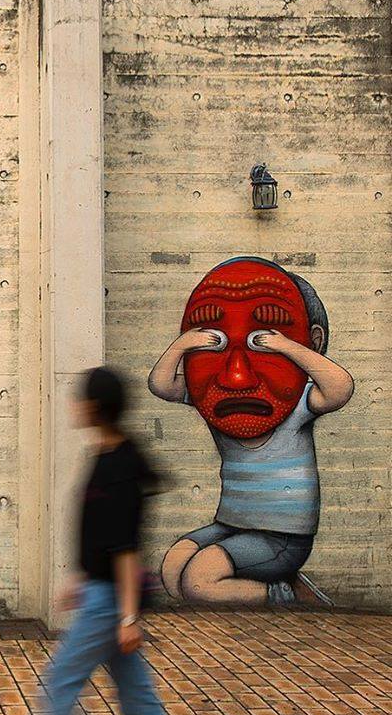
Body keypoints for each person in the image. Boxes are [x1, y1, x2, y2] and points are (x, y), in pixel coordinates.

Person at [0, 367, 181, 715]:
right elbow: (101, 535)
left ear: (94, 407)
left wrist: (128, 618)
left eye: (79, 399)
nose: (73, 405)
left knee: (60, 682)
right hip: (102, 591)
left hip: (109, 600)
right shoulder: (111, 452)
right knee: (134, 689)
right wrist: (81, 576)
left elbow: (126, 549)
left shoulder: (117, 467)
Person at [149, 256, 353, 606]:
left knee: (198, 582)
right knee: (172, 570)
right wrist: (183, 344)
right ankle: (267, 580)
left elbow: (341, 387)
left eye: (258, 345)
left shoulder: (299, 403)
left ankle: (286, 595)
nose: (237, 377)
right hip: (233, 525)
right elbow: (161, 385)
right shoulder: (212, 396)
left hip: (282, 536)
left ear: (313, 343)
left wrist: (285, 346)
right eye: (217, 344)